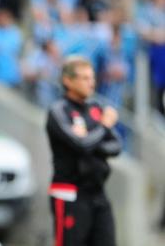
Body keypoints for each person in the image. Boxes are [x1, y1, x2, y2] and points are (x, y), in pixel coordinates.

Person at [45, 56, 122, 246]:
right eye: (85, 78)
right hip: (70, 193)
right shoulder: (59, 110)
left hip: (98, 193)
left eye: (92, 78)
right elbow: (80, 145)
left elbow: (116, 146)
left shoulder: (95, 108)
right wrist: (102, 127)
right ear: (68, 80)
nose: (91, 83)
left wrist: (89, 139)